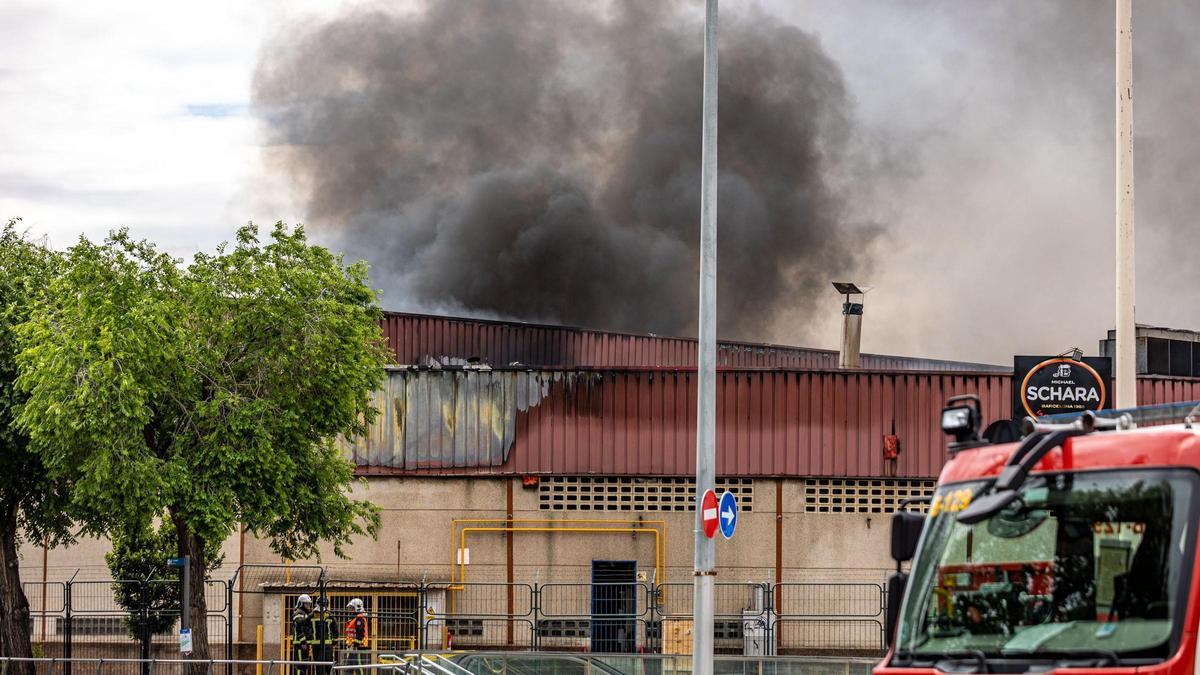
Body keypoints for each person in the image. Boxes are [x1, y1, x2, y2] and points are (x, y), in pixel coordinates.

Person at [311, 597, 338, 675]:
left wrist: (309, 639)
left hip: (316, 646)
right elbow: (335, 630)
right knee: (329, 666)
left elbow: (305, 626)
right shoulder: (330, 615)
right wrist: (334, 641)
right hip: (328, 645)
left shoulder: (312, 615)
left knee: (319, 667)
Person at [292, 594, 315, 675]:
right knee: (300, 665)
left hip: (305, 644)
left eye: (309, 604)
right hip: (300, 644)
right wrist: (303, 642)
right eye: (306, 604)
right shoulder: (299, 613)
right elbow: (299, 628)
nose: (308, 606)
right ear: (301, 604)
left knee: (304, 665)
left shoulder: (305, 613)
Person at [344, 598, 369, 666]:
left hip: (359, 648)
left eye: (352, 608)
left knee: (359, 669)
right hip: (353, 648)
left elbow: (360, 635)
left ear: (357, 607)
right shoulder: (355, 618)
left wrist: (354, 644)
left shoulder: (360, 618)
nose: (351, 610)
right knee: (348, 670)